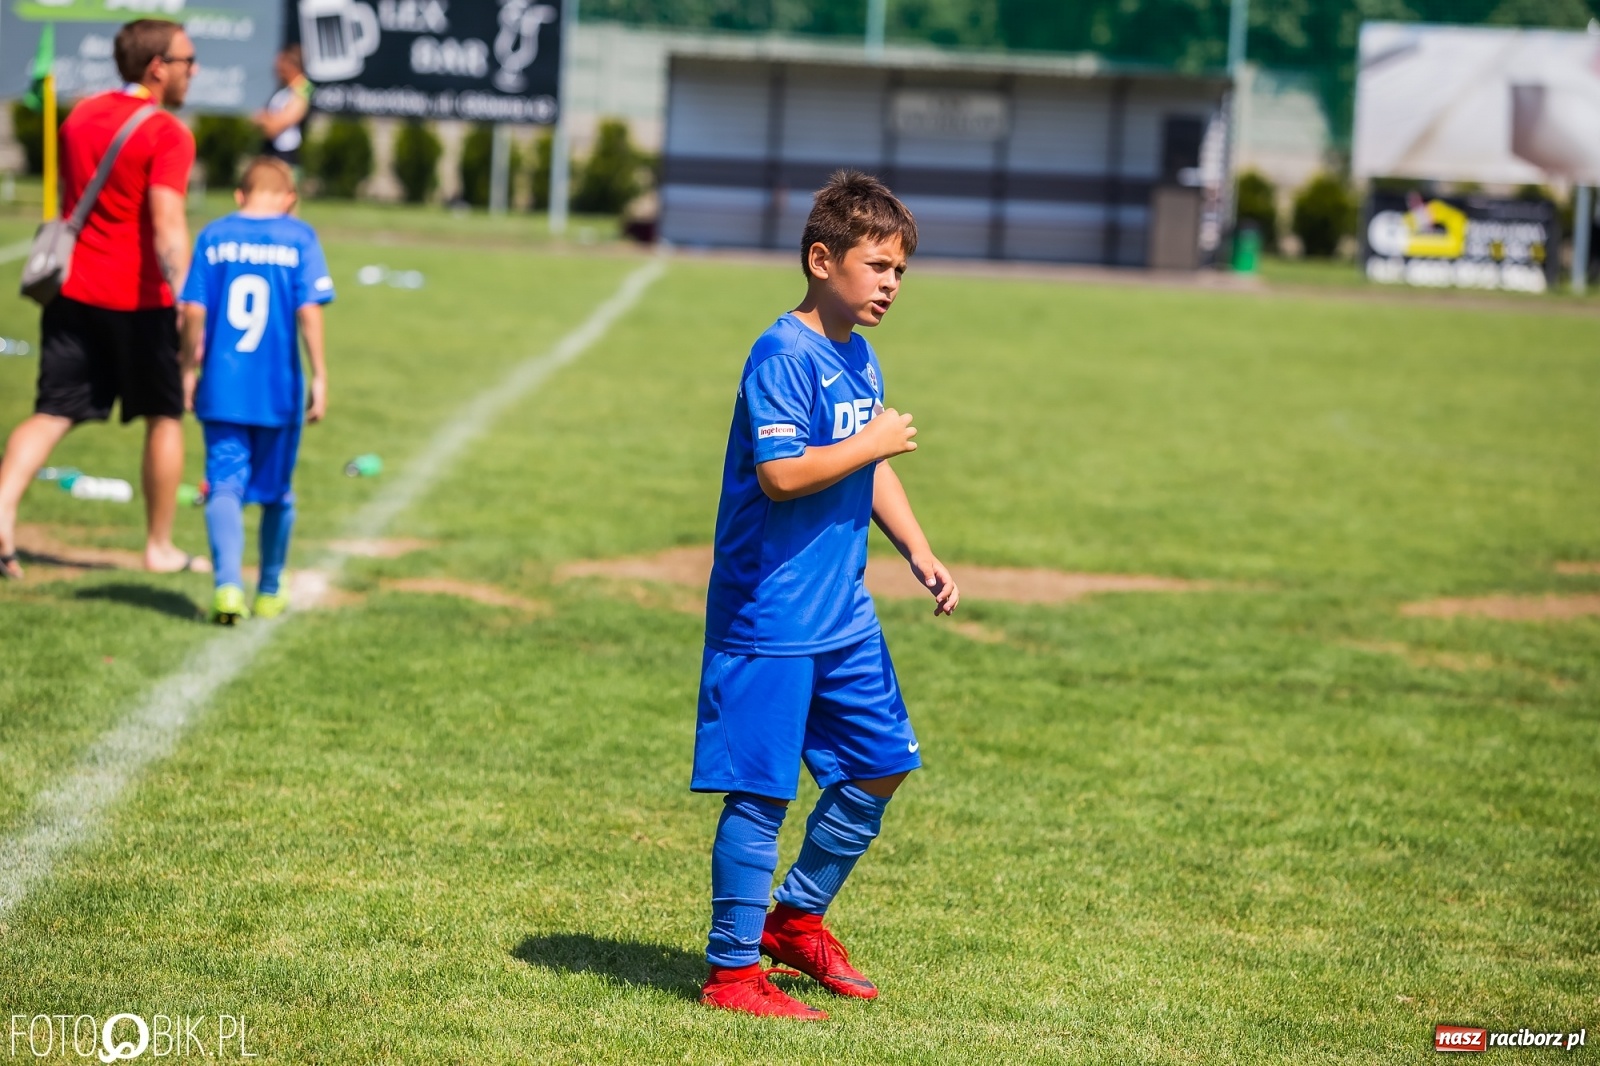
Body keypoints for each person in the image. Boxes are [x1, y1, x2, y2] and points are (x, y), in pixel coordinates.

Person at [694, 171, 960, 1020]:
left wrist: (916, 548)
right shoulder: (782, 353)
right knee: (763, 791)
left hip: (840, 610)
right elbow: (781, 475)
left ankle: (797, 918)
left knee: (883, 763)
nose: (890, 284)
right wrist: (876, 437)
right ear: (821, 259)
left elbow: (866, 463)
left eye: (900, 273)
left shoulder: (857, 352)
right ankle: (732, 975)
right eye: (878, 265)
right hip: (768, 611)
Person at [0, 18, 202, 580]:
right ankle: (160, 546)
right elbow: (167, 222)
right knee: (164, 416)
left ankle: (0, 511)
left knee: (51, 411)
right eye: (188, 61)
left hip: (71, 292)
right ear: (158, 67)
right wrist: (187, 296)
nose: (195, 71)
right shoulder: (168, 133)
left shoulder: (82, 113)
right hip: (139, 301)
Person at [177, 157, 333, 624]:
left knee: (223, 483)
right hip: (278, 391)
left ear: (239, 195)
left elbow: (193, 309)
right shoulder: (299, 236)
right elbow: (309, 311)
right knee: (277, 493)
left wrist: (187, 368)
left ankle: (227, 586)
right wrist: (321, 374)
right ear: (290, 199)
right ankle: (268, 590)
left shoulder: (214, 235)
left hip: (223, 386)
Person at [251, 46, 312, 173]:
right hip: (270, 152)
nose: (277, 68)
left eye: (281, 64)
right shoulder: (282, 90)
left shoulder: (304, 89)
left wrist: (266, 119)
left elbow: (274, 127)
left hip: (286, 156)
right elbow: (257, 118)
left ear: (291, 65)